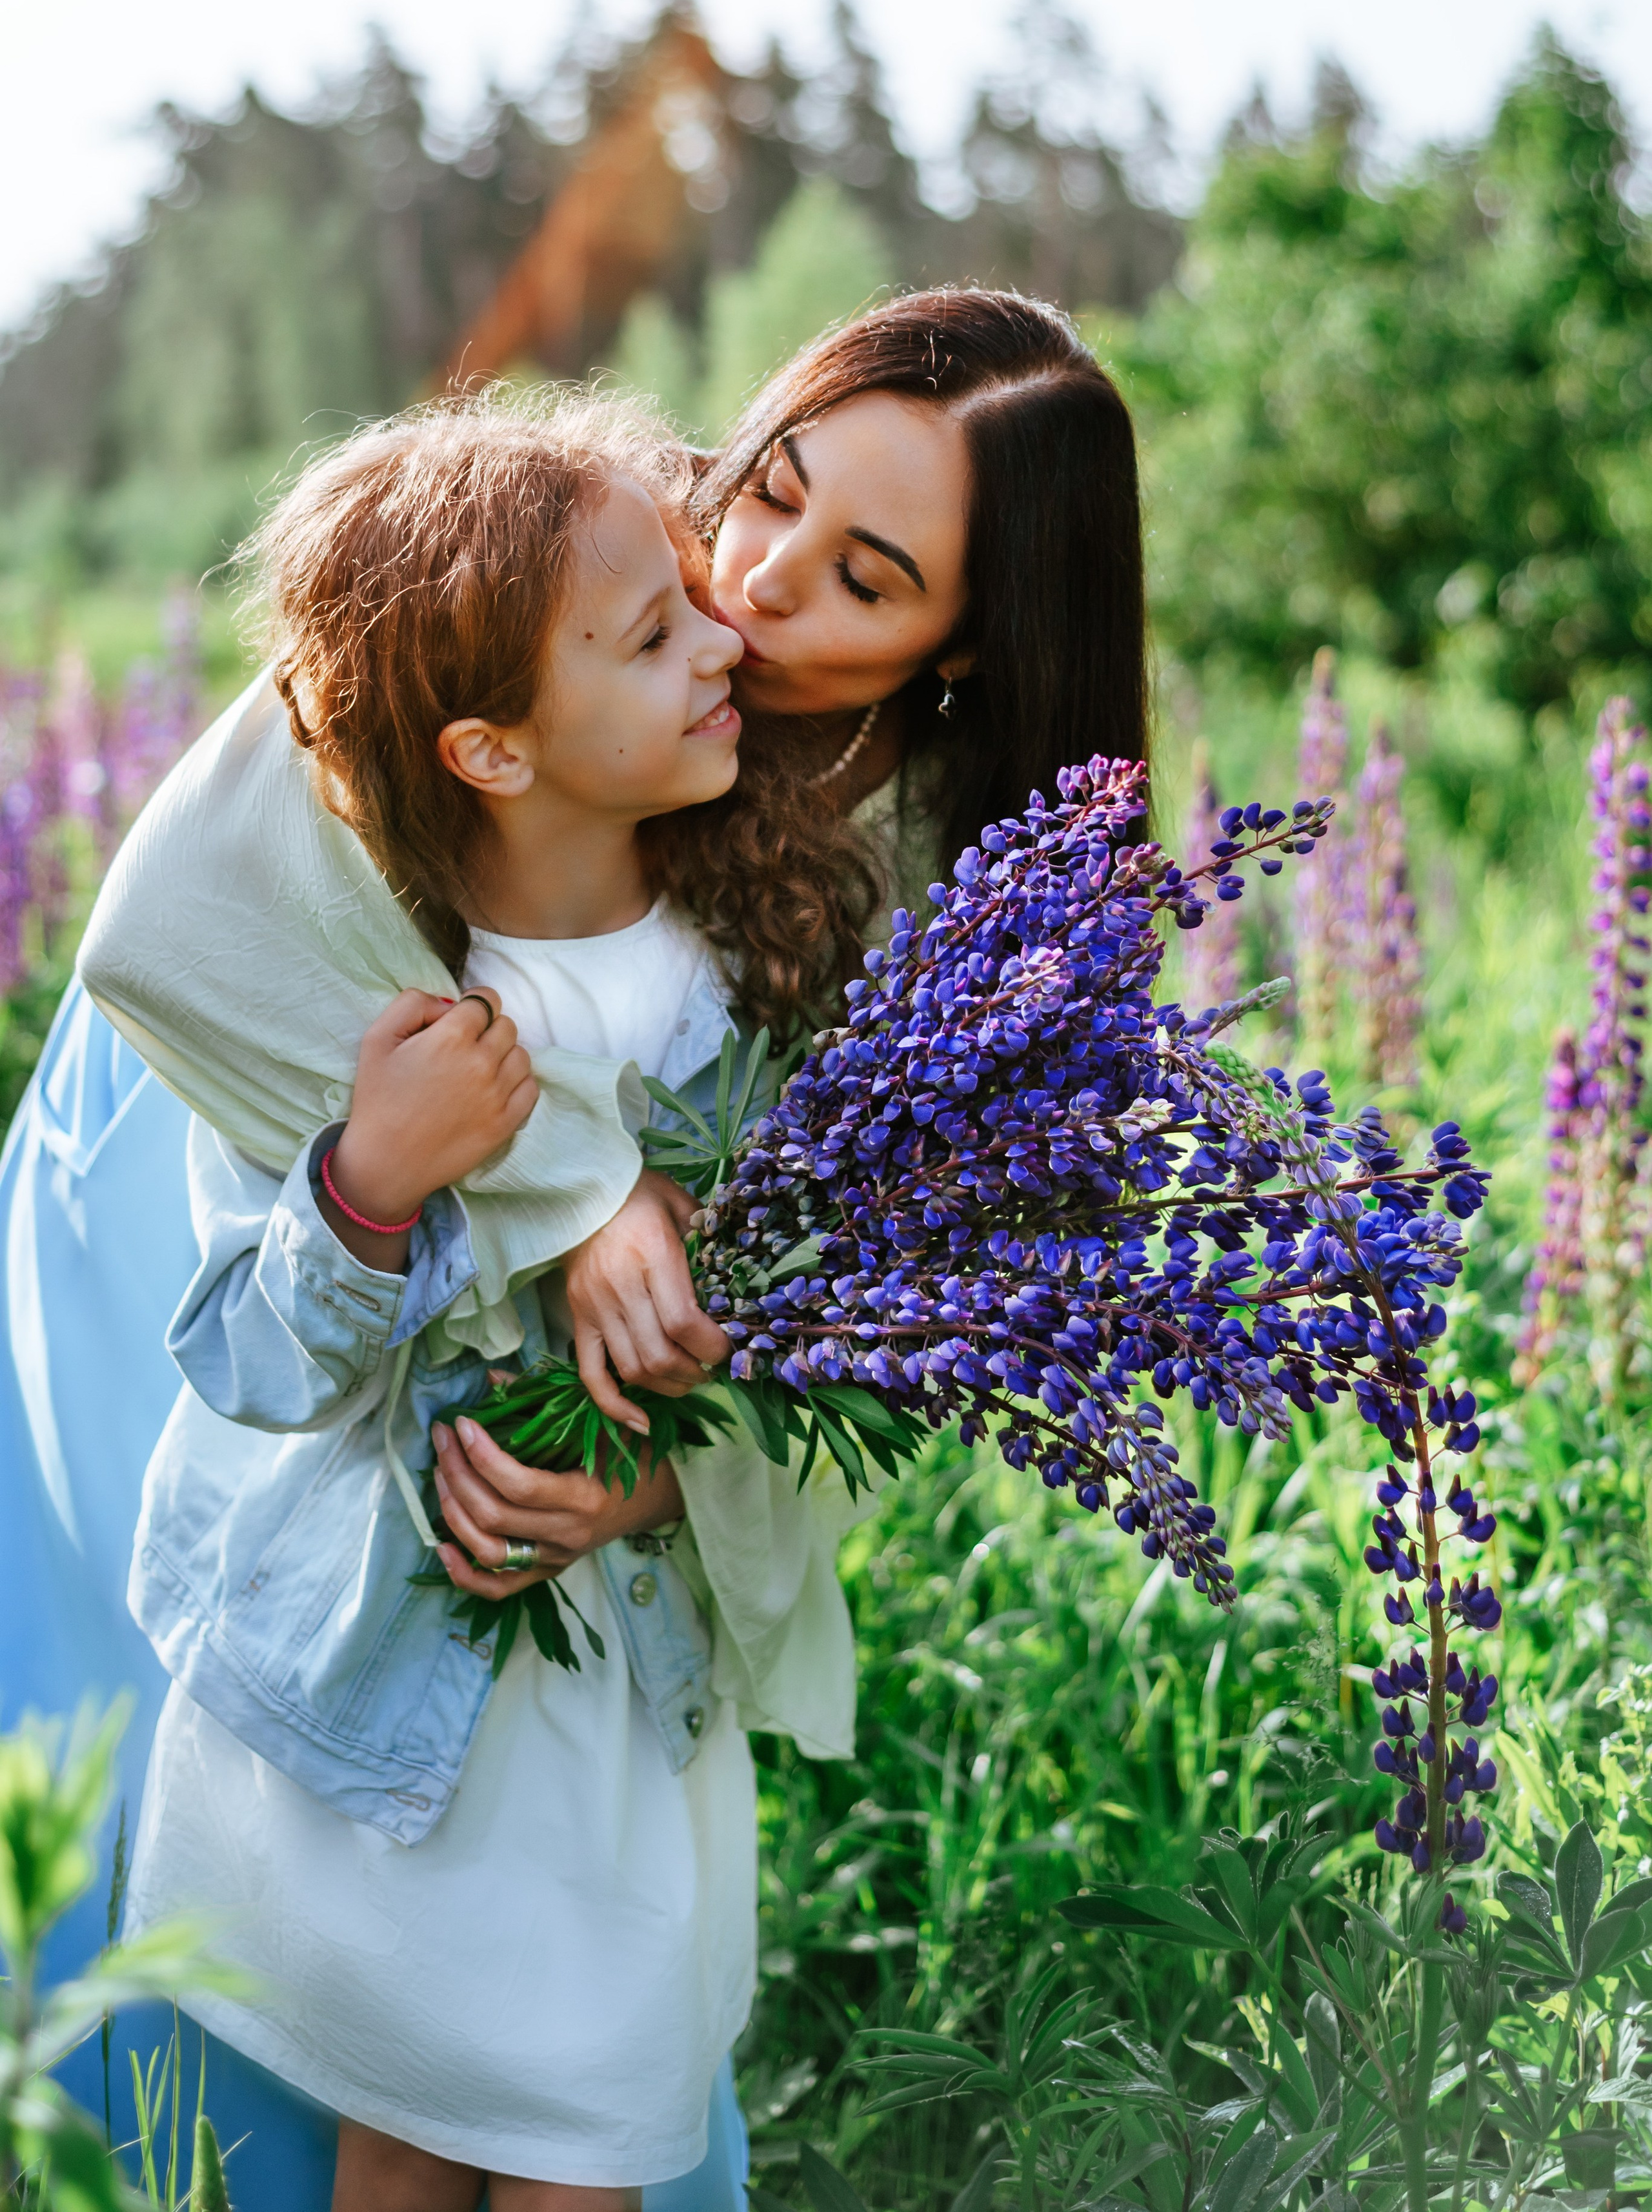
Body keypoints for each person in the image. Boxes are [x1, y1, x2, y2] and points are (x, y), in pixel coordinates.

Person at [0, 289, 1146, 2204]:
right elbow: (188, 918)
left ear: (963, 652)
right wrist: (577, 1182)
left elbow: (863, 1333)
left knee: (542, 2042)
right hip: (253, 1115)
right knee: (148, 1730)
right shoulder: (545, 555)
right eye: (767, 481)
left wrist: (654, 1470)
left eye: (861, 576)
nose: (760, 580)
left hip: (550, 1578)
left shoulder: (911, 904)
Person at [85, 392, 869, 2209]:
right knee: (403, 2147)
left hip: (611, 1733)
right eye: (649, 633)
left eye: (696, 600)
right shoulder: (343, 1008)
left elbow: (833, 1366)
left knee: (578, 2142)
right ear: (492, 750)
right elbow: (243, 1357)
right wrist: (370, 1182)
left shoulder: (745, 1001)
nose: (722, 638)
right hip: (380, 1712)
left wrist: (652, 1479)